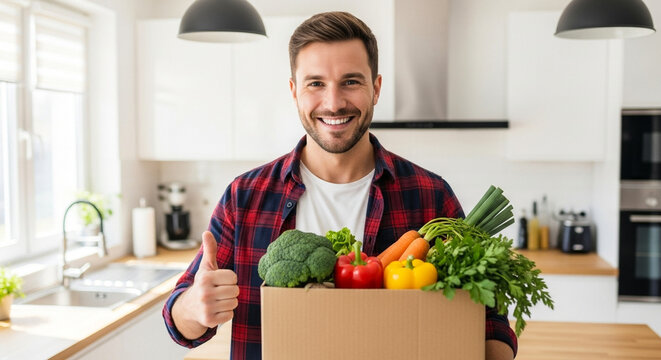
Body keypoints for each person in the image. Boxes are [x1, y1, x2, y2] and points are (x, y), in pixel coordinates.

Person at [163, 11, 517, 360]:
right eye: (315, 83)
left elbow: (490, 322)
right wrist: (195, 306)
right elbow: (180, 320)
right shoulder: (246, 196)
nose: (333, 103)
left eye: (351, 81)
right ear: (294, 92)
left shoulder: (430, 195)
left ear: (375, 89)